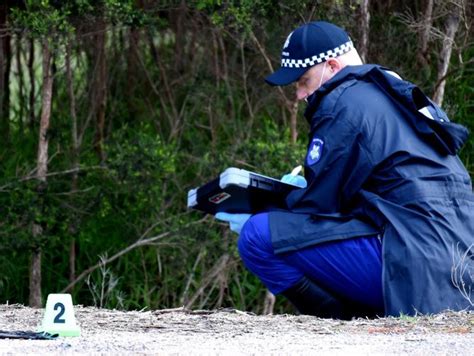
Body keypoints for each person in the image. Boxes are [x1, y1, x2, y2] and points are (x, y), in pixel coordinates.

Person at [216, 21, 474, 318]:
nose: (300, 95)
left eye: (304, 80)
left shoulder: (342, 101)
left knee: (257, 236)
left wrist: (266, 206)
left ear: (333, 66)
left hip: (413, 261)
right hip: (461, 264)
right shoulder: (397, 97)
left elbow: (318, 207)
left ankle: (347, 327)